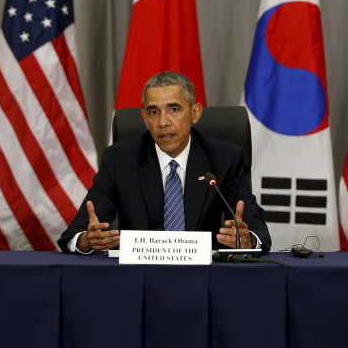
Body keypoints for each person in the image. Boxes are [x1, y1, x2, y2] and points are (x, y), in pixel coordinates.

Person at [58, 71, 271, 254]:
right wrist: (86, 241)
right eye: (153, 112)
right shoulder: (119, 160)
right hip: (139, 277)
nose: (163, 122)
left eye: (174, 109)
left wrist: (248, 240)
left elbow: (257, 230)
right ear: (144, 118)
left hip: (203, 277)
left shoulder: (224, 157)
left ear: (195, 113)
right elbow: (75, 234)